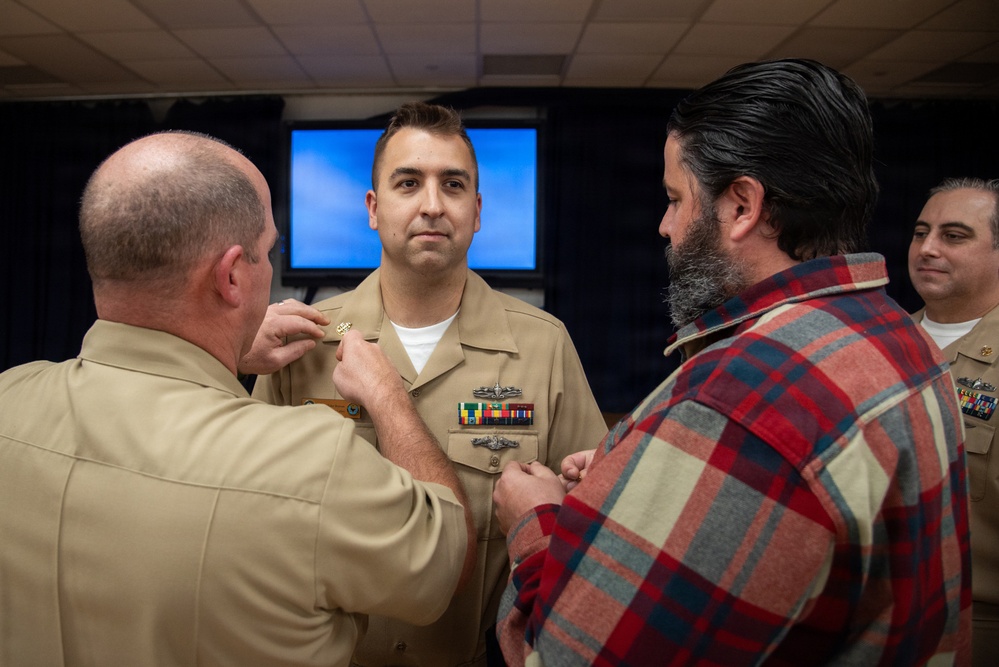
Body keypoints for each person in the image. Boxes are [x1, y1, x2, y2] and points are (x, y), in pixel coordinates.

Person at [492, 59, 972, 666]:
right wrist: (636, 470)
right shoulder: (899, 335)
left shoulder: (739, 401)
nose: (664, 226)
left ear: (743, 205)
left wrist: (536, 520)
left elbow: (563, 656)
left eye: (675, 199)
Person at [0, 131, 475, 666]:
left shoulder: (9, 398)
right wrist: (388, 395)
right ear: (231, 276)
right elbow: (447, 558)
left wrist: (228, 348)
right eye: (269, 252)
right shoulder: (311, 464)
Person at [247, 102, 608, 666]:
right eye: (409, 183)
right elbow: (244, 514)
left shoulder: (543, 345)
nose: (433, 205)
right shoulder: (301, 343)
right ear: (374, 208)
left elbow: (592, 520)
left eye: (453, 185)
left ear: (477, 211)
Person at [909, 177, 999, 667]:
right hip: (881, 616)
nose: (928, 248)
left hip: (980, 627)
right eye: (921, 232)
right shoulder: (879, 344)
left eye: (954, 236)